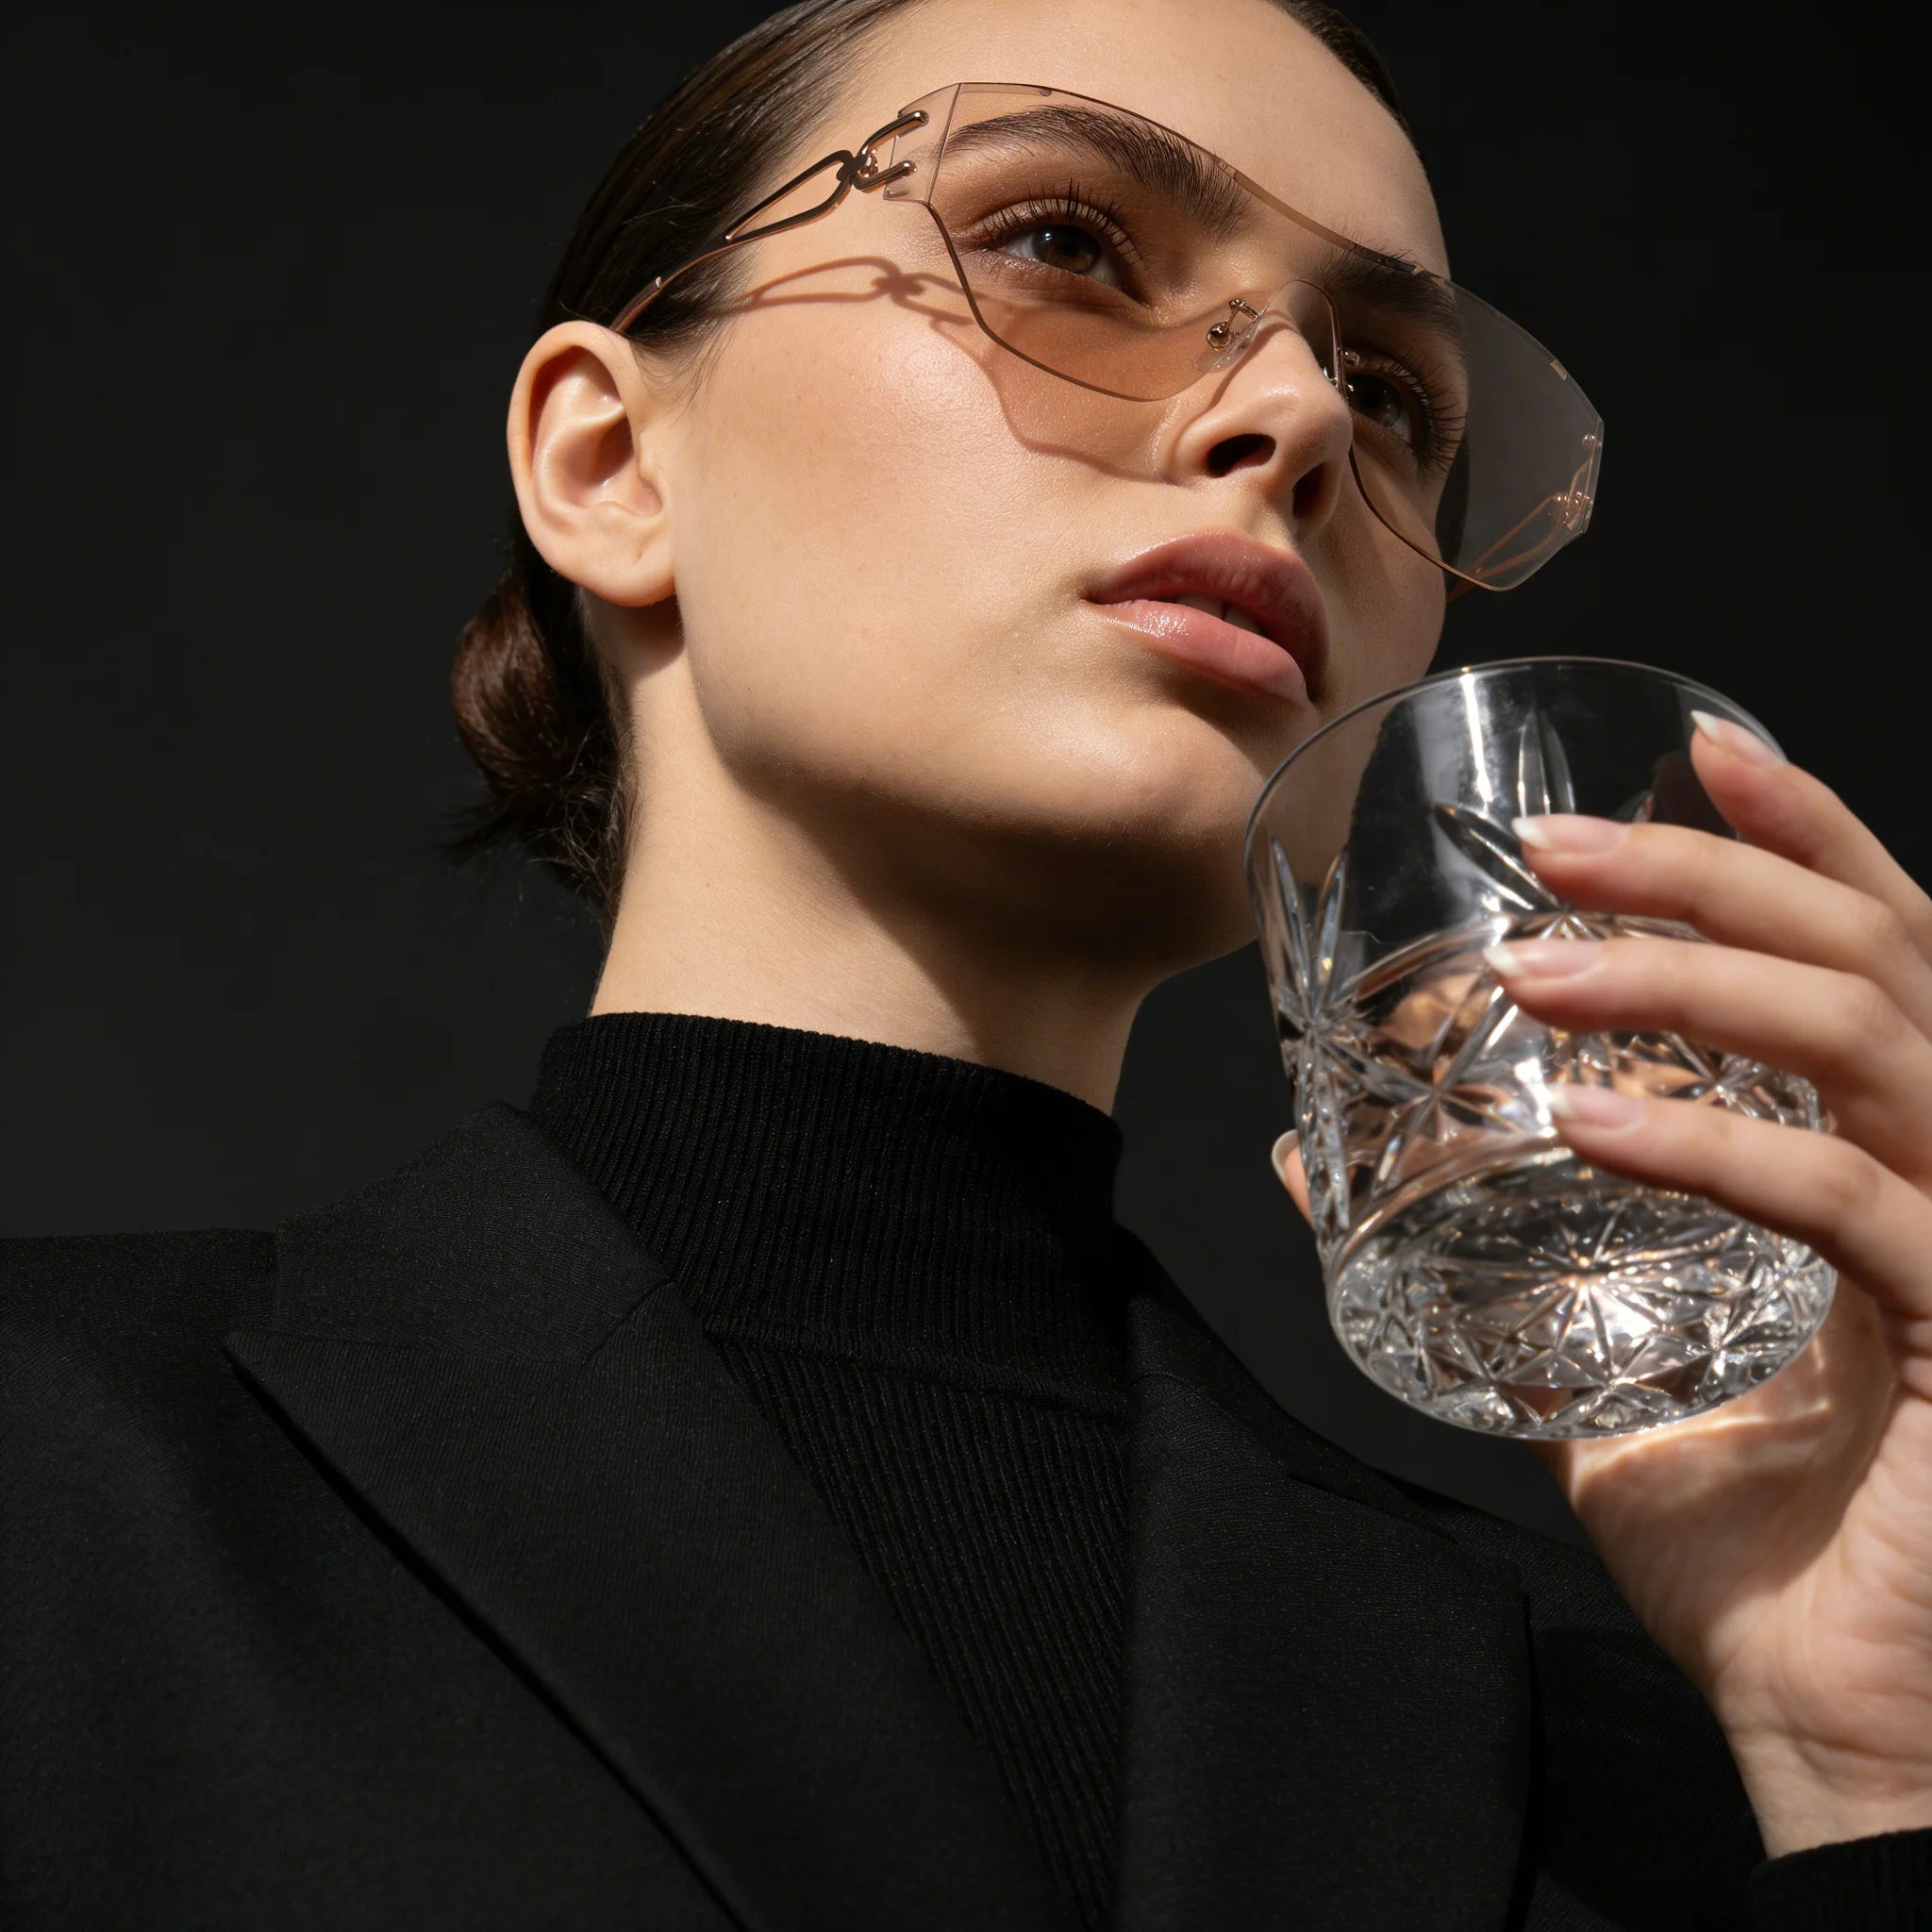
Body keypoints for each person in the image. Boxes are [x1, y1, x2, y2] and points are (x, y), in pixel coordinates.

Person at [5, 0, 1930, 1924]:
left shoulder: (1614, 1752)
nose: (1306, 421)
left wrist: (1870, 1774)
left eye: (1398, 397)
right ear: (608, 462)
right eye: (1066, 246)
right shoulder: (56, 1475)